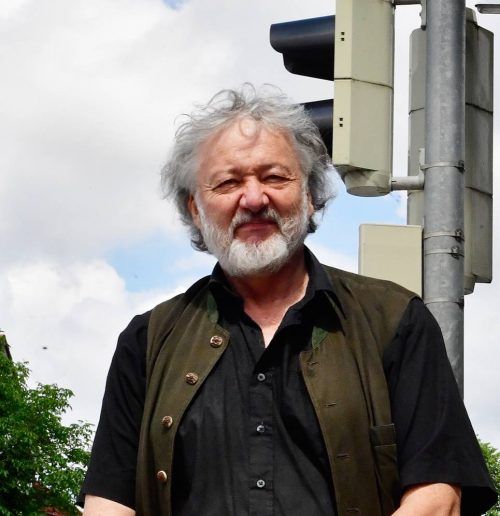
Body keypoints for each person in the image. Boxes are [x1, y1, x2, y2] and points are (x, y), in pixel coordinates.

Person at [80, 85, 496, 515]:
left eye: (275, 177)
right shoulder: (147, 341)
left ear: (310, 196)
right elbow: (109, 503)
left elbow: (438, 494)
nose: (254, 199)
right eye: (228, 182)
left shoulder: (394, 321)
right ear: (196, 209)